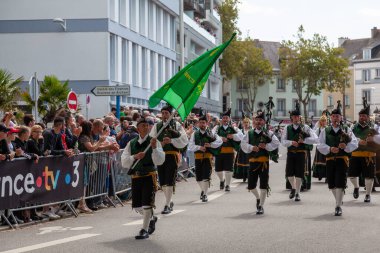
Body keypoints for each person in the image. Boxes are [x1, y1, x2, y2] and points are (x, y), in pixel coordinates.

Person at [121, 118, 165, 240]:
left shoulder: (154, 141)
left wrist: (155, 148)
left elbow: (160, 160)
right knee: (137, 206)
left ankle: (144, 229)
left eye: (147, 125)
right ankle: (151, 217)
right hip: (136, 176)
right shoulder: (132, 143)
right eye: (143, 125)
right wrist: (134, 156)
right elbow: (123, 160)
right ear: (138, 127)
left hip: (149, 175)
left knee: (147, 203)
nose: (146, 127)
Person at [317, 105, 358, 216]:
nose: (335, 118)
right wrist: (329, 149)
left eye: (337, 116)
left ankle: (338, 206)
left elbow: (355, 143)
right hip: (330, 159)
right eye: (333, 116)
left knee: (340, 182)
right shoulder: (326, 130)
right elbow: (319, 145)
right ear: (331, 118)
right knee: (331, 184)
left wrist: (345, 146)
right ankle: (339, 199)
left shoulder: (346, 129)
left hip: (342, 160)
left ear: (341, 117)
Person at [150, 105, 188, 214]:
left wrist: (171, 141)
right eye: (163, 113)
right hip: (160, 155)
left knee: (169, 179)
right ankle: (169, 201)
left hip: (172, 155)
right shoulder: (157, 126)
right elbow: (151, 140)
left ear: (171, 114)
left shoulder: (177, 125)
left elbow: (184, 140)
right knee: (162, 180)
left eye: (166, 113)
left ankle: (167, 204)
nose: (164, 115)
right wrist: (160, 143)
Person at [241, 111, 280, 215]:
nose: (258, 122)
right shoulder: (249, 133)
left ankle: (261, 206)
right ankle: (258, 198)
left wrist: (266, 146)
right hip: (252, 163)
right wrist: (251, 147)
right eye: (257, 120)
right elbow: (243, 144)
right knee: (251, 186)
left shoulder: (269, 133)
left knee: (263, 186)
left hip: (264, 164)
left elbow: (276, 143)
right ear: (254, 121)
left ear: (264, 121)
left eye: (260, 120)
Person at [281, 106, 318, 201]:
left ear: (300, 117)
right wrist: (291, 143)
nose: (296, 118)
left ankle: (297, 193)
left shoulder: (305, 127)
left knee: (299, 174)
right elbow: (283, 141)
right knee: (289, 174)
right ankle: (293, 188)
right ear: (291, 118)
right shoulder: (287, 128)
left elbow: (315, 138)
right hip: (291, 153)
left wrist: (304, 140)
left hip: (301, 153)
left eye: (298, 116)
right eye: (294, 116)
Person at [188, 113, 222, 202]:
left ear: (206, 123)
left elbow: (220, 141)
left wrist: (210, 145)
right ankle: (203, 191)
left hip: (207, 158)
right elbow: (190, 146)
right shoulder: (194, 134)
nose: (202, 124)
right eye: (200, 123)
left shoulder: (211, 132)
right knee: (198, 178)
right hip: (198, 157)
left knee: (206, 176)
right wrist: (199, 147)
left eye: (203, 122)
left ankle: (205, 194)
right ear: (198, 124)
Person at [348, 104, 379, 203]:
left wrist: (373, 138)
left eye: (364, 116)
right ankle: (356, 187)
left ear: (368, 117)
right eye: (360, 116)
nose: (362, 117)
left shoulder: (374, 126)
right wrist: (358, 140)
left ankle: (367, 195)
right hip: (355, 154)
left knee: (369, 176)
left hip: (369, 155)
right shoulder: (353, 127)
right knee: (352, 175)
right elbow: (349, 137)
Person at [212, 108, 243, 191]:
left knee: (228, 169)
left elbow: (241, 135)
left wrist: (233, 136)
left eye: (227, 118)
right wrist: (220, 138)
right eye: (224, 118)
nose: (225, 120)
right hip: (219, 151)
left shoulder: (234, 128)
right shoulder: (217, 128)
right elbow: (211, 135)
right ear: (222, 119)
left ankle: (228, 185)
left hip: (229, 152)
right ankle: (222, 180)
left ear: (229, 119)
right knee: (218, 170)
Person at [233, 117, 251, 182]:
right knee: (242, 163)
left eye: (247, 122)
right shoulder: (240, 131)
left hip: (249, 149)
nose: (246, 124)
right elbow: (236, 139)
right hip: (241, 149)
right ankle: (243, 176)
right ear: (243, 124)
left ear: (249, 123)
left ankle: (249, 176)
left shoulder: (251, 131)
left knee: (249, 163)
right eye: (244, 123)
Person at [312, 115, 328, 181]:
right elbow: (314, 137)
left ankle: (327, 176)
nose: (324, 122)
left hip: (326, 147)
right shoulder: (318, 130)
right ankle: (319, 174)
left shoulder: (328, 129)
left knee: (327, 161)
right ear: (320, 122)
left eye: (325, 121)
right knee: (319, 161)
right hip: (319, 147)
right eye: (322, 121)